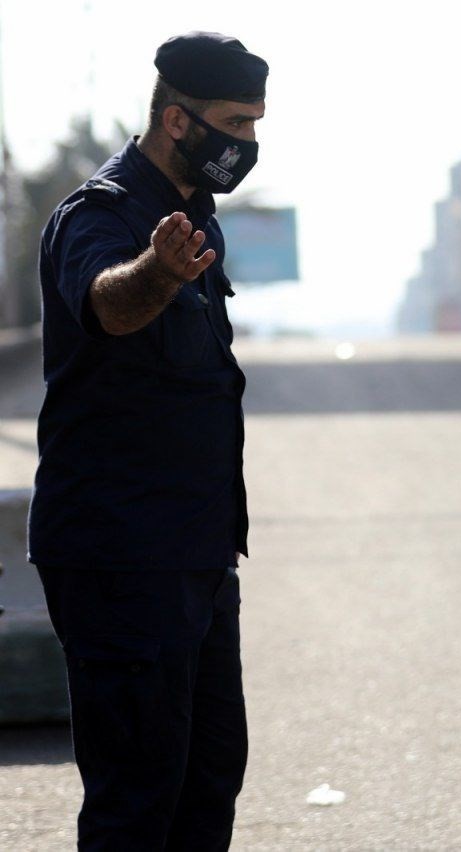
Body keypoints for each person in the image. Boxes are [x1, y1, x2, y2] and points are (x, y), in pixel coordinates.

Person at [28, 31, 267, 850]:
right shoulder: (98, 214)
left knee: (207, 782)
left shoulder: (197, 218)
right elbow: (106, 306)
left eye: (256, 124)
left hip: (193, 550)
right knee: (138, 797)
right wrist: (158, 272)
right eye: (233, 123)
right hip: (119, 552)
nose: (246, 144)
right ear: (175, 120)